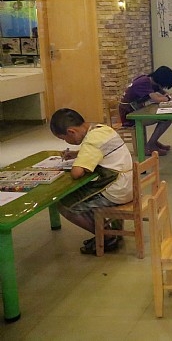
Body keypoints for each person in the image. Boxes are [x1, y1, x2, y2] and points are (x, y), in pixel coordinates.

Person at [50, 108, 134, 255]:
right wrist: (77, 154)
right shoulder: (102, 129)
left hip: (115, 190)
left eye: (64, 139)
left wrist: (79, 161)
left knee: (65, 204)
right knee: (82, 194)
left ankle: (106, 236)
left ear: (71, 132)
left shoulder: (91, 142)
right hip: (128, 185)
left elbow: (77, 173)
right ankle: (111, 233)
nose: (67, 142)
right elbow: (100, 150)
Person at [119, 65, 172, 156]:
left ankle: (153, 142)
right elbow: (157, 99)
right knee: (167, 118)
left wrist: (168, 96)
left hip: (135, 111)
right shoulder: (144, 82)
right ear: (161, 81)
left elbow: (162, 92)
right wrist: (169, 98)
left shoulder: (148, 79)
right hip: (129, 116)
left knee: (165, 116)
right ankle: (150, 145)